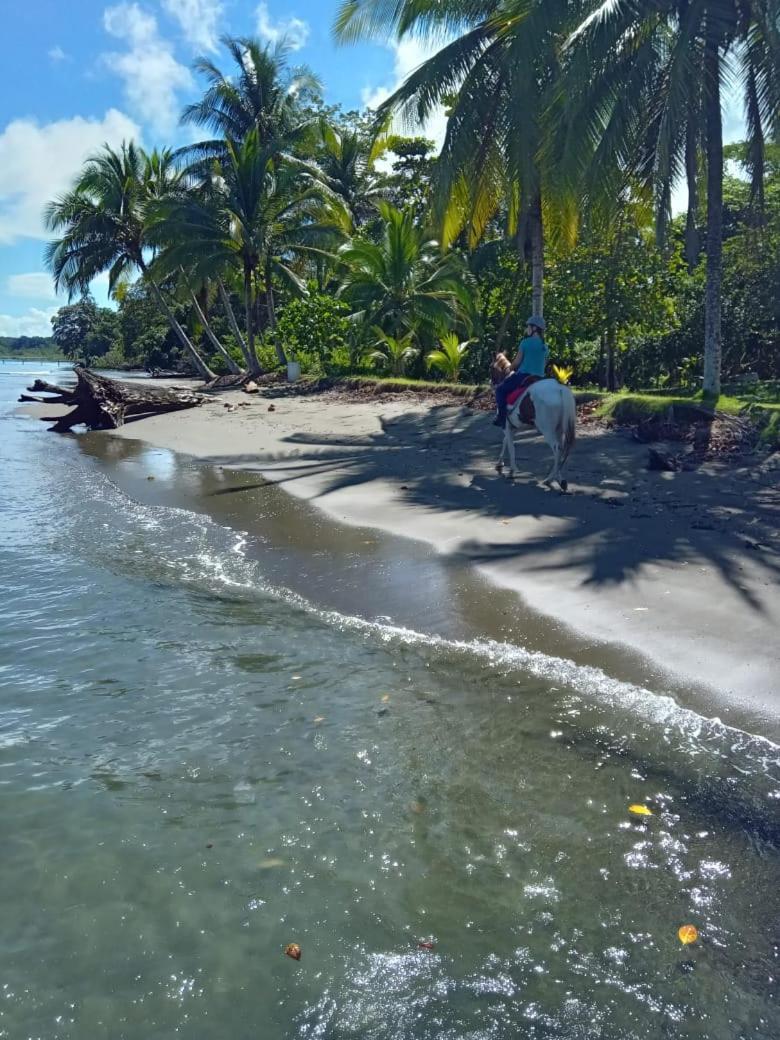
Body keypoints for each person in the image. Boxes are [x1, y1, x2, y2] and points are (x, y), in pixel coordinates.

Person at [493, 316, 549, 426]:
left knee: (499, 390)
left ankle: (501, 418)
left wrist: (510, 368)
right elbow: (544, 363)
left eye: (528, 326)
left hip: (524, 376)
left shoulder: (525, 343)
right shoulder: (545, 346)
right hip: (540, 378)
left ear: (534, 328)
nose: (527, 329)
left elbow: (517, 361)